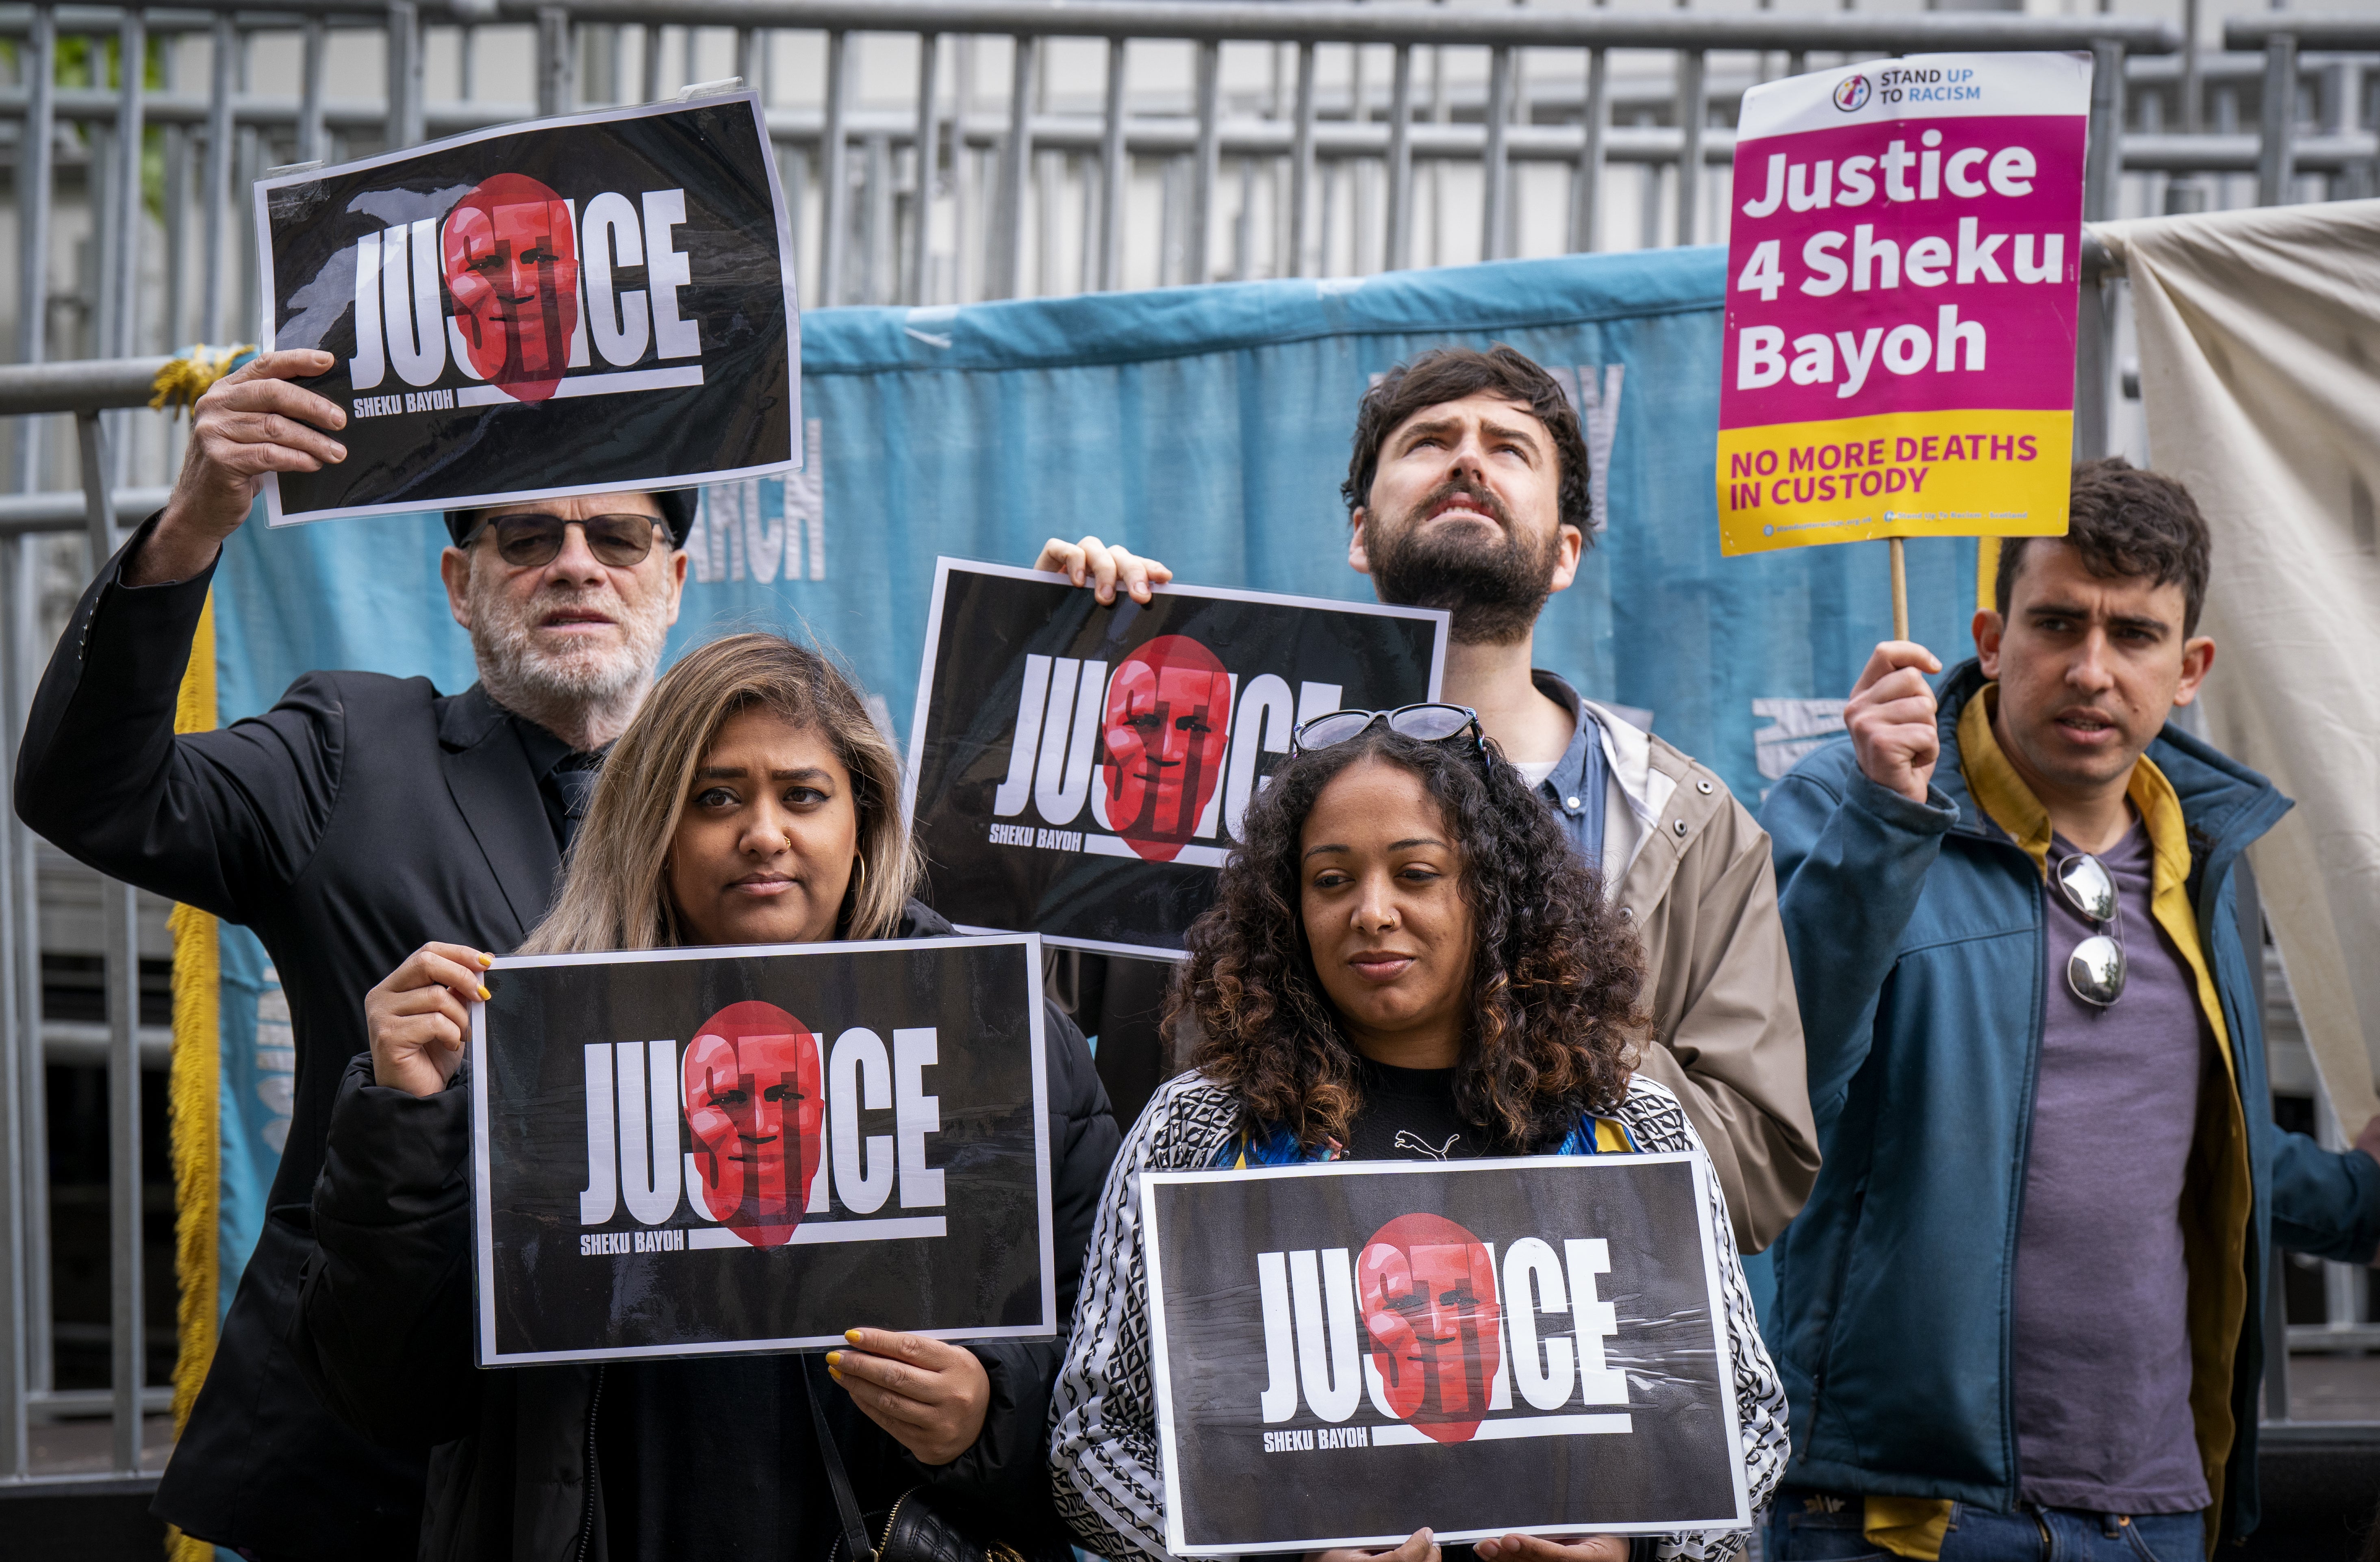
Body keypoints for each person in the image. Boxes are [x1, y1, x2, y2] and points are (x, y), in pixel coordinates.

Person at [10, 346, 1145, 1559]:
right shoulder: (348, 748)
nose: (575, 565)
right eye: (527, 540)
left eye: (618, 536)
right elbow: (93, 790)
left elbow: (1020, 1027)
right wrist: (194, 522)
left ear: (676, 575)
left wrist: (1072, 664)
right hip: (391, 1441)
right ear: (458, 580)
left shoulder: (866, 920)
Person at [295, 631, 1121, 1560]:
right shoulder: (524, 1041)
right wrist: (405, 1122)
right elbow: (390, 1393)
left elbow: (1118, 1383)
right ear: (651, 821)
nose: (763, 831)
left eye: (803, 794)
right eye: (715, 795)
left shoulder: (994, 1036)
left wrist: (987, 1411)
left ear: (865, 821)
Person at [1758, 459, 2380, 1560]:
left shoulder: (2203, 852)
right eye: (2058, 624)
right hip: (1908, 1509)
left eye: (2134, 635)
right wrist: (1883, 831)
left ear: (2190, 668)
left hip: (2155, 1505)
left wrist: (2361, 1195)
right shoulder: (1857, 802)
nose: (2093, 669)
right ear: (1992, 640)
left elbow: (2179, 1140)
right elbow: (1782, 1099)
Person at [1049, 706, 1786, 1562]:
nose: (1372, 911)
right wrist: (1269, 1556)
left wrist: (1641, 1546)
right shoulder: (1197, 1132)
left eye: (1417, 872)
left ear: (1492, 891)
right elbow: (1089, 1445)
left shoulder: (1633, 1127)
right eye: (1331, 880)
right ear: (1289, 909)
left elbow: (1749, 1419)